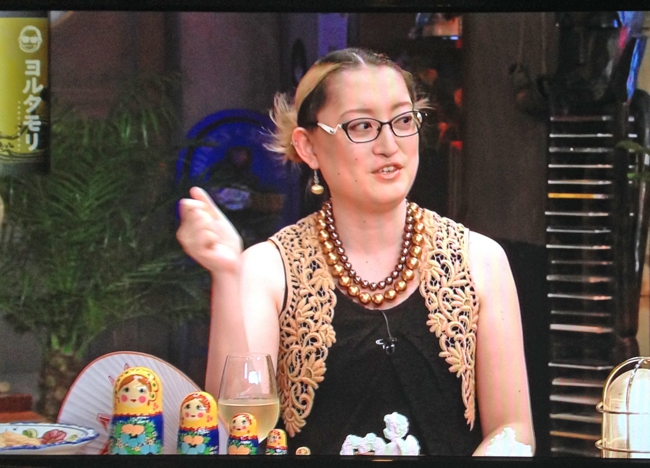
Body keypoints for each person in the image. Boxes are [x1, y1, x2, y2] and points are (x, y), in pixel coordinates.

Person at [176, 48, 534, 456]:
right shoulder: (267, 269)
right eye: (362, 126)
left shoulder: (480, 261)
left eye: (403, 121)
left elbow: (514, 429)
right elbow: (235, 432)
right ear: (308, 147)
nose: (390, 145)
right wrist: (226, 274)